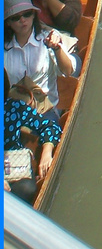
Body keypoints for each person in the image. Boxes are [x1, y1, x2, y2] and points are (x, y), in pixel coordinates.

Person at [4, 0, 74, 124]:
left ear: (34, 15)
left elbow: (68, 71)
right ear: (8, 22)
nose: (23, 20)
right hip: (12, 110)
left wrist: (57, 49)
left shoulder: (48, 40)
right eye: (16, 17)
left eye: (27, 14)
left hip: (44, 109)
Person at [4, 68, 61, 202]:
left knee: (27, 188)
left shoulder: (13, 107)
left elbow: (49, 126)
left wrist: (47, 153)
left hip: (15, 170)